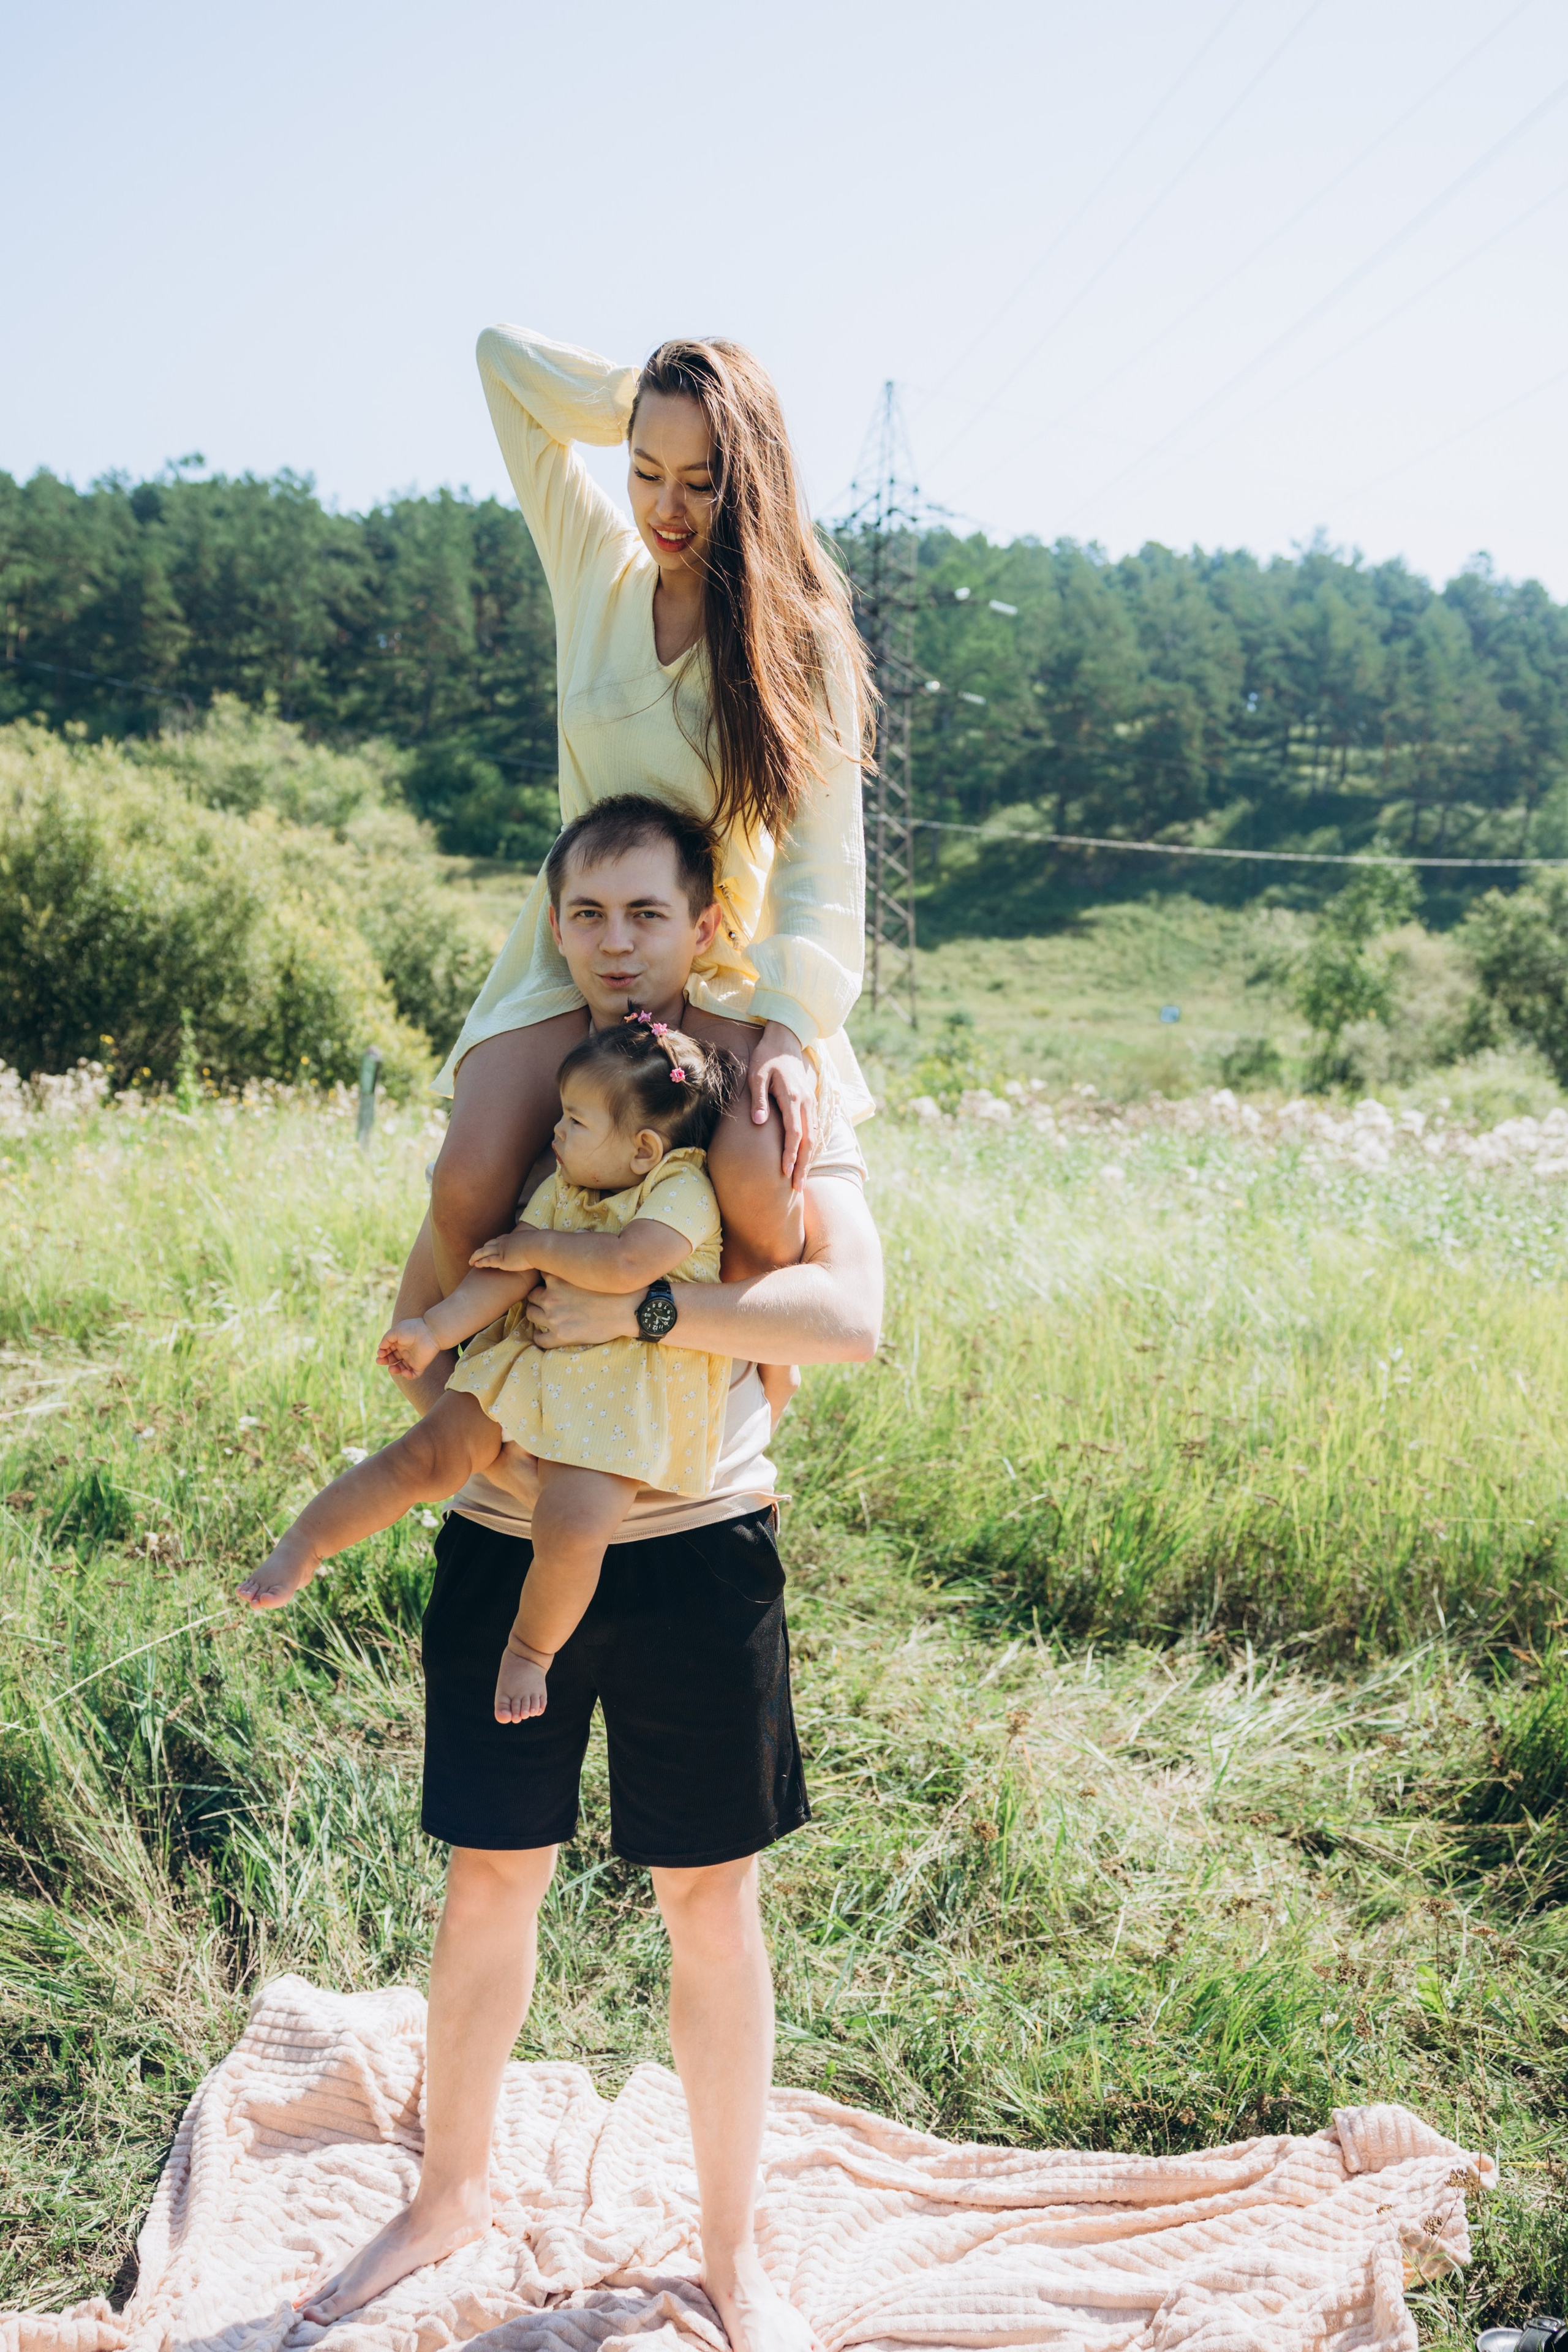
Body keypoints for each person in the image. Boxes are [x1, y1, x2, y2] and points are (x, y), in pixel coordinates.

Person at [292, 799, 884, 2352]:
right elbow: (437, 1291)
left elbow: (847, 1319)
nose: (614, 944)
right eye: (585, 914)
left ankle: (733, 2253)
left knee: (711, 1903)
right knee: (489, 1878)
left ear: (707, 922)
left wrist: (642, 1317)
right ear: (549, 926)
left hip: (697, 1551)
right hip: (507, 1547)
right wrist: (468, 1416)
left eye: (645, 912)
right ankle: (448, 2193)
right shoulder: (535, 1088)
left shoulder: (765, 1078)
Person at [415, 324, 874, 1396]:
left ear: (750, 482)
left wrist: (787, 1028)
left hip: (717, 963)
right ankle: (493, 1419)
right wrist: (643, 394)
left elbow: (824, 860)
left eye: (702, 481)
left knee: (758, 1169)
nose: (667, 508)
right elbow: (500, 362)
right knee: (469, 1176)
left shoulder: (797, 634)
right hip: (576, 946)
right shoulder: (595, 568)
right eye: (645, 470)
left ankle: (737, 1411)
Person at [237, 1017, 739, 1727]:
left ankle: (530, 1650)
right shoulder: (563, 1189)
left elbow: (629, 1263)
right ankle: (306, 1542)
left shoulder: (682, 1187)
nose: (555, 1132)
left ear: (644, 1149)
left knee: (571, 1528)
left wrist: (539, 1247)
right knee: (424, 1455)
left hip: (624, 1403)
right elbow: (504, 1271)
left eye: (574, 1120)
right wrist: (434, 1329)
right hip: (529, 1367)